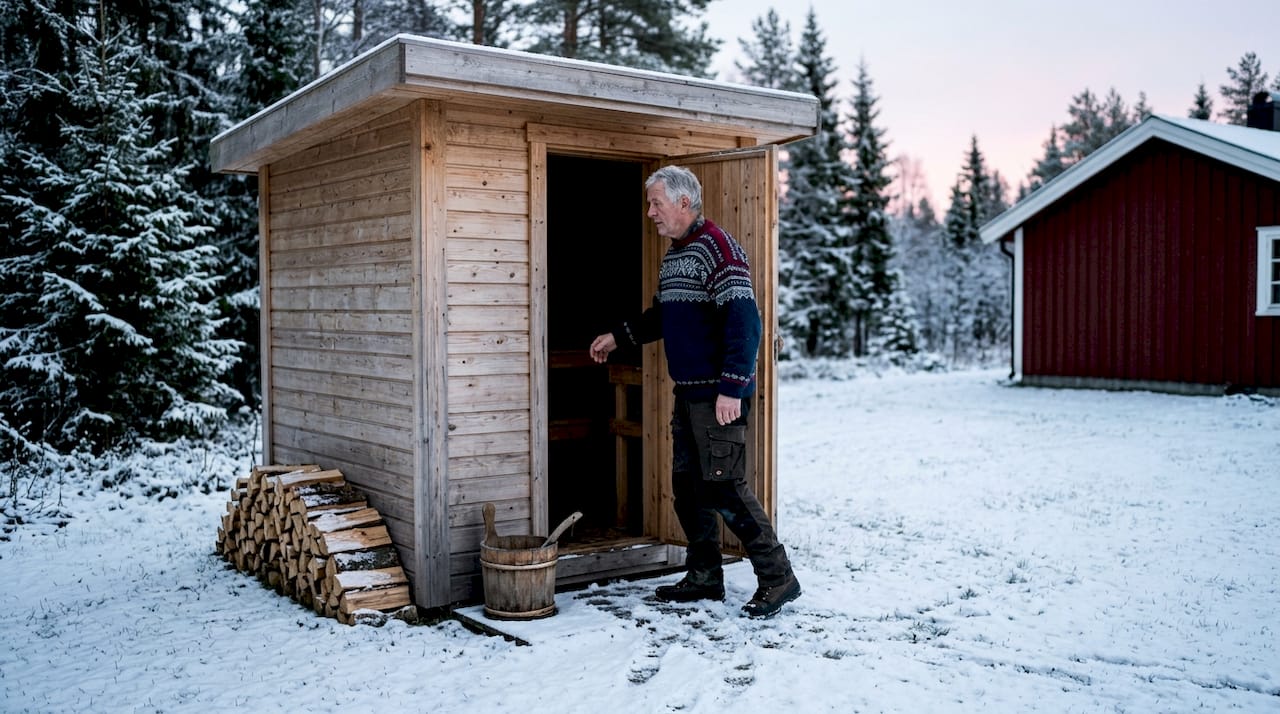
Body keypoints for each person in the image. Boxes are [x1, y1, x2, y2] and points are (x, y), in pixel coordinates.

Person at [588, 165, 801, 619]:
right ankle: (705, 575)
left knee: (725, 488)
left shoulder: (719, 250)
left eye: (656, 204)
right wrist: (617, 336)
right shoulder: (676, 256)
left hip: (719, 396)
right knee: (687, 488)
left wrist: (731, 389)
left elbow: (747, 324)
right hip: (689, 394)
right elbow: (663, 317)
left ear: (684, 203)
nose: (651, 213)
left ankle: (777, 576)